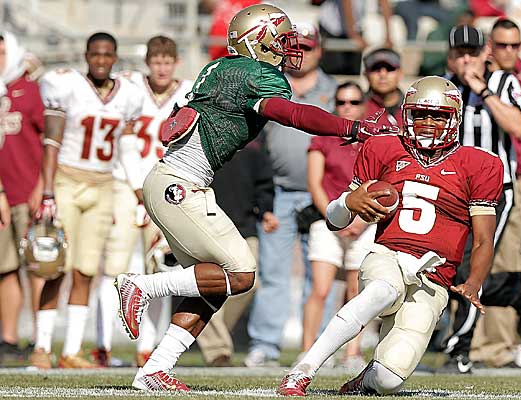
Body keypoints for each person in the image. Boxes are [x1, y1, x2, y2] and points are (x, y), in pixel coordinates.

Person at [114, 4, 396, 391]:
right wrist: (351, 126)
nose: (286, 48)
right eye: (279, 40)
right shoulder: (256, 75)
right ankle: (143, 287)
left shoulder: (222, 68)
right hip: (180, 183)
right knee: (242, 274)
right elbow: (290, 114)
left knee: (213, 287)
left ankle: (154, 370)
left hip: (170, 180)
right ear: (258, 41)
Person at [278, 76, 504, 396]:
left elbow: (483, 238)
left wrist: (473, 282)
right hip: (390, 256)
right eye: (420, 114)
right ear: (406, 115)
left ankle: (364, 378)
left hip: (433, 277)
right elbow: (333, 221)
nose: (428, 123)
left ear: (454, 118)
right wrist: (347, 202)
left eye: (438, 115)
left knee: (388, 381)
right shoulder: (384, 147)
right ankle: (303, 369)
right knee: (381, 291)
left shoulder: (480, 164)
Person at [31, 32, 145, 369]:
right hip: (67, 179)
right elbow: (51, 142)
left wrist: (139, 193)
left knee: (85, 270)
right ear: (86, 55)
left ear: (115, 58)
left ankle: (71, 351)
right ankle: (41, 346)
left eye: (107, 55)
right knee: (55, 267)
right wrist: (48, 191)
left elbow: (126, 149)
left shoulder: (127, 96)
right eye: (95, 54)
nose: (100, 60)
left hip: (103, 184)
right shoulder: (65, 85)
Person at [439, 24, 521, 374]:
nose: (466, 59)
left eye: (472, 52)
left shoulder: (502, 83)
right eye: (459, 53)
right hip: (452, 191)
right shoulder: (442, 86)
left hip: (495, 191)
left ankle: (459, 350)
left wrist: (480, 88)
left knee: (472, 268)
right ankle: (520, 299)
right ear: (450, 56)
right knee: (451, 269)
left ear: (484, 53)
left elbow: (518, 127)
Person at [91, 35, 193, 368]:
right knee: (116, 267)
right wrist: (137, 187)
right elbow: (125, 140)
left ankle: (148, 346)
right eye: (156, 62)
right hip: (127, 186)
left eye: (167, 62)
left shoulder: (188, 92)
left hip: (166, 189)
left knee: (160, 268)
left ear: (175, 63)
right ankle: (103, 344)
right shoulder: (132, 88)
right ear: (147, 63)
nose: (161, 68)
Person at [244, 22, 339, 368]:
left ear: (321, 50)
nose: (302, 53)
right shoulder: (271, 84)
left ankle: (319, 347)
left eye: (309, 47)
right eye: (296, 46)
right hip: (279, 193)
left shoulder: (334, 90)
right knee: (272, 272)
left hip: (322, 195)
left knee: (322, 275)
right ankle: (265, 345)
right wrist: (262, 196)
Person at [469, 18, 521, 369]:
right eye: (503, 46)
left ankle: (494, 348)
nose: (510, 52)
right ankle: (470, 341)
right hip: (469, 190)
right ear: (490, 47)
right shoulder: (468, 79)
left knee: (502, 263)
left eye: (516, 46)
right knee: (470, 266)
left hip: (505, 189)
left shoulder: (508, 84)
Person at [301, 81, 375, 370]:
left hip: (364, 222)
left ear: (363, 105)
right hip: (328, 220)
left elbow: (379, 183)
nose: (347, 107)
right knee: (320, 288)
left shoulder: (373, 139)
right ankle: (308, 351)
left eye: (354, 102)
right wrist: (339, 218)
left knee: (356, 292)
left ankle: (352, 352)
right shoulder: (324, 136)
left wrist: (359, 219)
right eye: (342, 102)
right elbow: (314, 183)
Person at [196, 139, 278, 367]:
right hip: (207, 223)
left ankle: (211, 328)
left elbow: (264, 183)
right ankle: (217, 351)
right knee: (207, 286)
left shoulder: (254, 140)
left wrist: (266, 211)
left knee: (250, 284)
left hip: (244, 225)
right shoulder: (204, 136)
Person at [0, 30, 45, 363]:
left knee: (37, 268)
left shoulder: (30, 90)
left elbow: (50, 141)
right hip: (2, 194)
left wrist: (42, 185)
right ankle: (9, 338)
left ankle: (39, 339)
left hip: (29, 191)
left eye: (2, 53)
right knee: (6, 269)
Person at [317, 0, 393, 75]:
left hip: (355, 27)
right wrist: (353, 35)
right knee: (334, 72)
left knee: (354, 72)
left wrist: (388, 36)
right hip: (332, 26)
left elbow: (384, 3)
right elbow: (346, 2)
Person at [362, 48, 403, 127]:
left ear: (400, 73)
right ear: (366, 74)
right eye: (376, 69)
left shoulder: (413, 109)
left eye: (390, 68)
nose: (383, 75)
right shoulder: (354, 106)